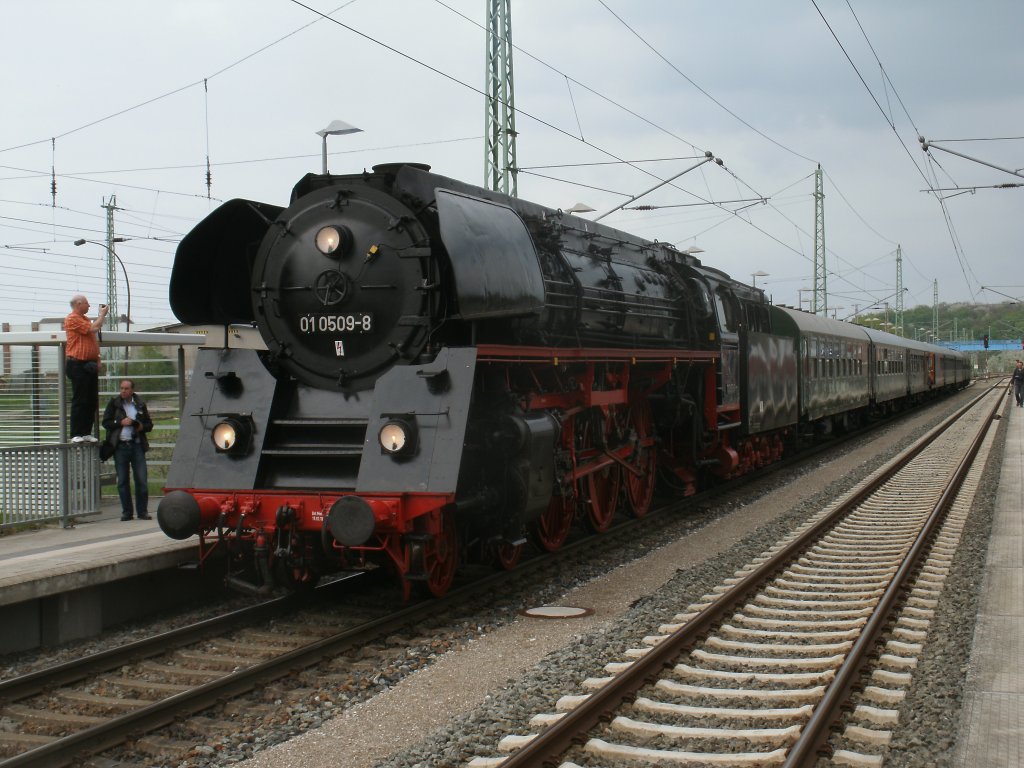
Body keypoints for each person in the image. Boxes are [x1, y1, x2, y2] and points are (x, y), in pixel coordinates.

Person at [102, 379, 154, 521]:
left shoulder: (139, 404)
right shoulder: (114, 404)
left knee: (141, 480)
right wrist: (120, 422)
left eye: (126, 388)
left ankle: (142, 511)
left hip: (136, 445)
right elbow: (105, 423)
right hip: (120, 447)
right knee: (123, 481)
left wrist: (140, 426)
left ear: (132, 390)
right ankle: (127, 512)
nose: (123, 391)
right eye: (121, 388)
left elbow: (149, 424)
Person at [64, 294, 108, 442]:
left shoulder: (85, 320)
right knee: (80, 399)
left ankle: (86, 432)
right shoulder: (72, 319)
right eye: (87, 304)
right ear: (79, 304)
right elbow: (94, 329)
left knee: (91, 399)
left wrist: (98, 358)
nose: (89, 306)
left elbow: (92, 342)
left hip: (89, 364)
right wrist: (102, 315)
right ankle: (76, 433)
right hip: (77, 363)